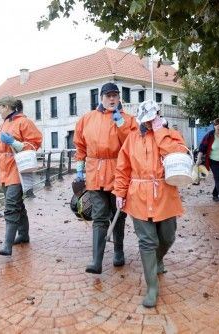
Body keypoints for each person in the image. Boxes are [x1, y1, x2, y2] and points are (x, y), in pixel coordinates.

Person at [113, 100, 187, 308]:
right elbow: (123, 168)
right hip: (138, 195)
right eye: (145, 120)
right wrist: (120, 192)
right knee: (147, 241)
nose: (147, 124)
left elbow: (178, 155)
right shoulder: (131, 139)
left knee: (167, 236)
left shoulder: (170, 134)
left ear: (158, 115)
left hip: (165, 193)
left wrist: (160, 132)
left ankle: (157, 259)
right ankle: (152, 287)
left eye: (151, 119)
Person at [74, 82, 137, 274]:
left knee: (118, 215)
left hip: (118, 172)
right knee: (100, 216)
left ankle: (118, 251)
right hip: (95, 173)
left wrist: (121, 125)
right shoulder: (87, 119)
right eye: (108, 95)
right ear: (101, 97)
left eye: (115, 96)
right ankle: (97, 261)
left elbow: (132, 144)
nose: (112, 99)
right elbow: (80, 145)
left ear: (119, 98)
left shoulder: (128, 119)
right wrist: (79, 169)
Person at [0, 96, 42, 256]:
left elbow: (35, 144)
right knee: (17, 204)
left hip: (17, 169)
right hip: (4, 170)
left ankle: (7, 244)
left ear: (7, 106)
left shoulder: (23, 122)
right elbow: (0, 150)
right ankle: (23, 234)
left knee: (11, 206)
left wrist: (14, 142)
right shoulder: (4, 124)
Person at [196, 118, 219, 202]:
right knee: (218, 178)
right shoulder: (209, 135)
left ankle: (215, 194)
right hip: (213, 161)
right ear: (214, 126)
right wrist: (198, 159)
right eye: (218, 128)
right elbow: (202, 148)